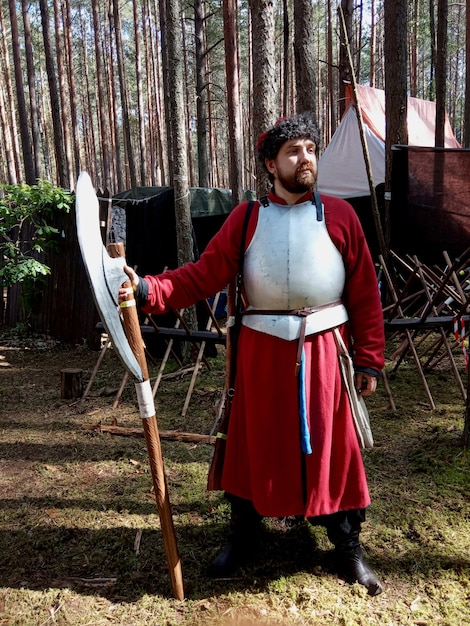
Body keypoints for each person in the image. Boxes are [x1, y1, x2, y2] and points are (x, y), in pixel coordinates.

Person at [120, 113, 385, 596]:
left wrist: (368, 358)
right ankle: (245, 534)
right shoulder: (245, 219)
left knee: (332, 446)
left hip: (325, 351)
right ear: (270, 164)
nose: (305, 159)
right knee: (252, 441)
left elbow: (365, 293)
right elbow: (201, 276)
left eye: (310, 149)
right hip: (260, 354)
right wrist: (148, 289)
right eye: (293, 152)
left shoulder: (342, 217)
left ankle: (347, 547)